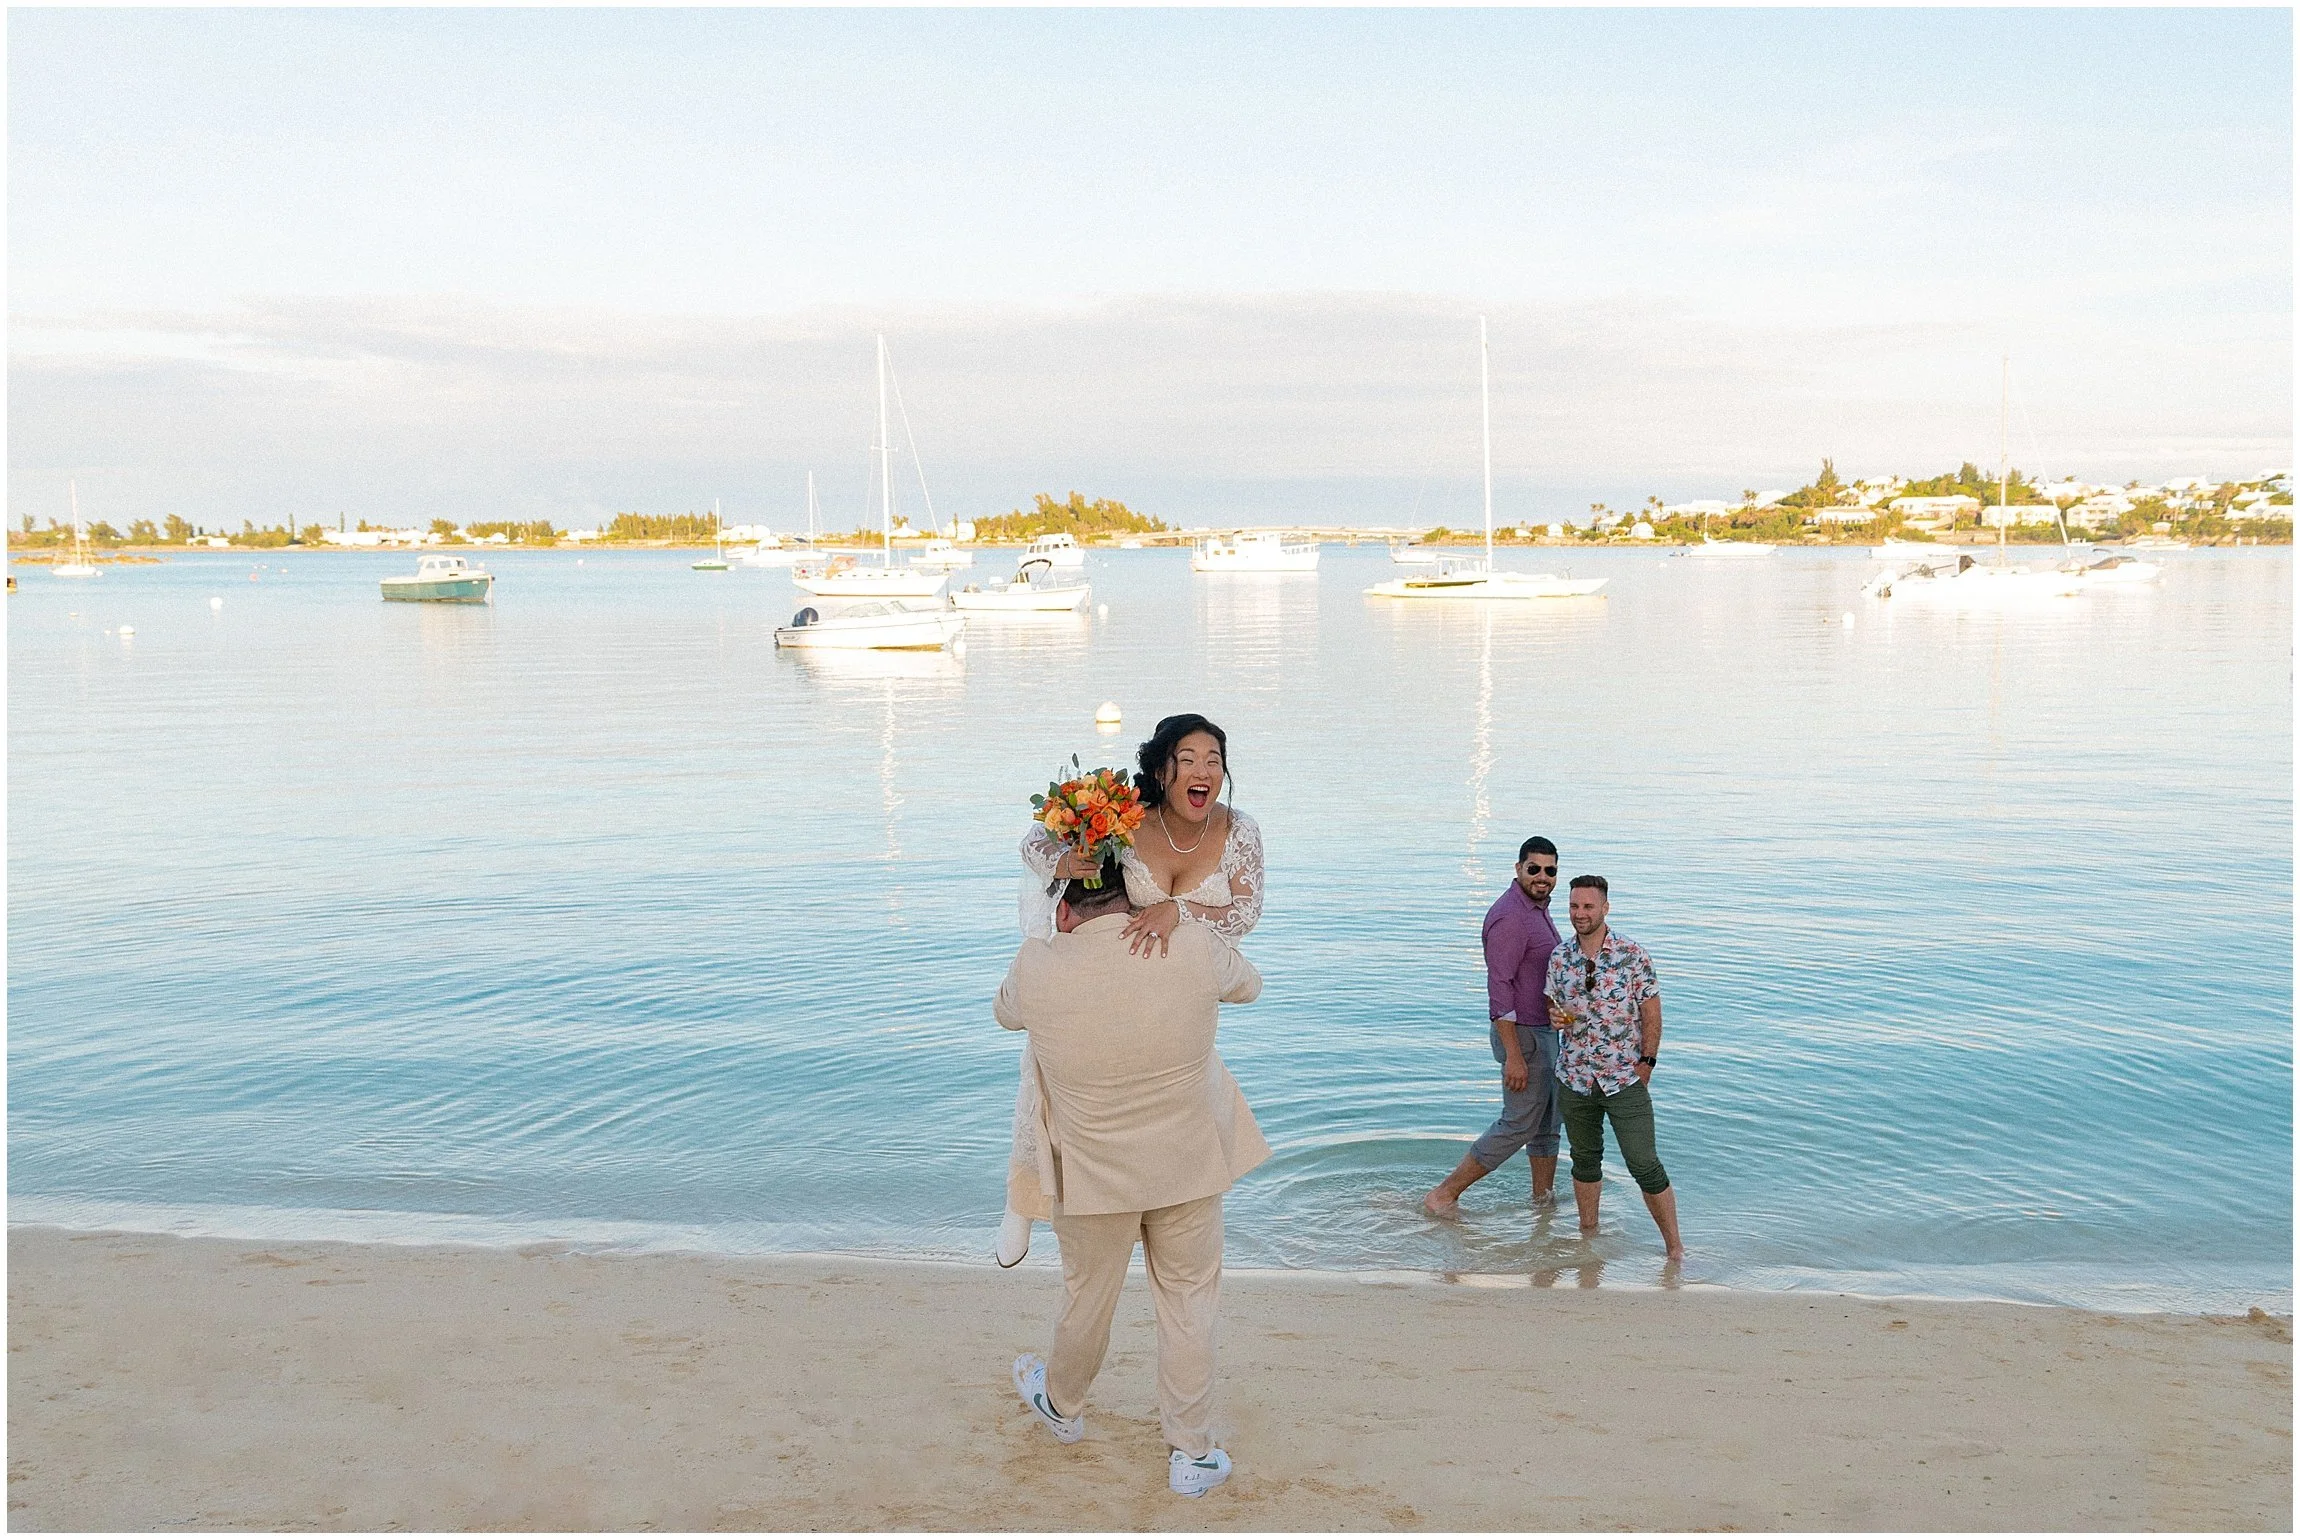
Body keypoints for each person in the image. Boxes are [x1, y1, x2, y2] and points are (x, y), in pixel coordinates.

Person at [996, 860, 1267, 1498]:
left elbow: (1005, 1014)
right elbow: (1249, 984)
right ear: (1133, 901)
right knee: (1188, 1309)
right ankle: (1191, 1454)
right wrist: (1183, 914)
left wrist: (1046, 939)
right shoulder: (1191, 946)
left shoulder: (1038, 965)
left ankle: (1062, 1406)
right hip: (1186, 1168)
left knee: (1087, 1300)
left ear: (1064, 912)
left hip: (1091, 1180)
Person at [998, 714, 1265, 1265]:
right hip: (1110, 965)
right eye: (1188, 759)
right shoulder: (1122, 816)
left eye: (1214, 761)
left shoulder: (1241, 831)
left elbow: (1245, 914)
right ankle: (1023, 1200)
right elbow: (1032, 841)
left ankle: (1182, 1188)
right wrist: (1063, 859)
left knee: (1182, 1082)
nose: (1203, 771)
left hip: (1174, 976)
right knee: (1049, 1058)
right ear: (1163, 770)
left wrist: (1179, 910)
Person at [1422, 836, 1564, 1218]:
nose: (1542, 877)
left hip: (1546, 1034)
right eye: (1534, 868)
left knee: (1548, 1127)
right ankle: (1444, 1195)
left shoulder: (1537, 909)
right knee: (1518, 1124)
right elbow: (1499, 991)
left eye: (1550, 870)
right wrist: (1514, 1056)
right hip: (1523, 1038)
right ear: (1518, 869)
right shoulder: (1511, 916)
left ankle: (1542, 1205)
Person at [1544, 875, 1685, 1260]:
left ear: (1605, 908)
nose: (1579, 914)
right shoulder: (1560, 958)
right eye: (1574, 906)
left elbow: (1652, 1014)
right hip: (1573, 1076)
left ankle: (1675, 1250)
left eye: (1588, 906)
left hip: (1624, 1077)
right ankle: (1588, 1240)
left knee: (1644, 1163)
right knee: (1584, 1160)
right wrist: (1557, 1018)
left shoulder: (1632, 955)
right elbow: (1552, 1008)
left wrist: (1647, 1064)